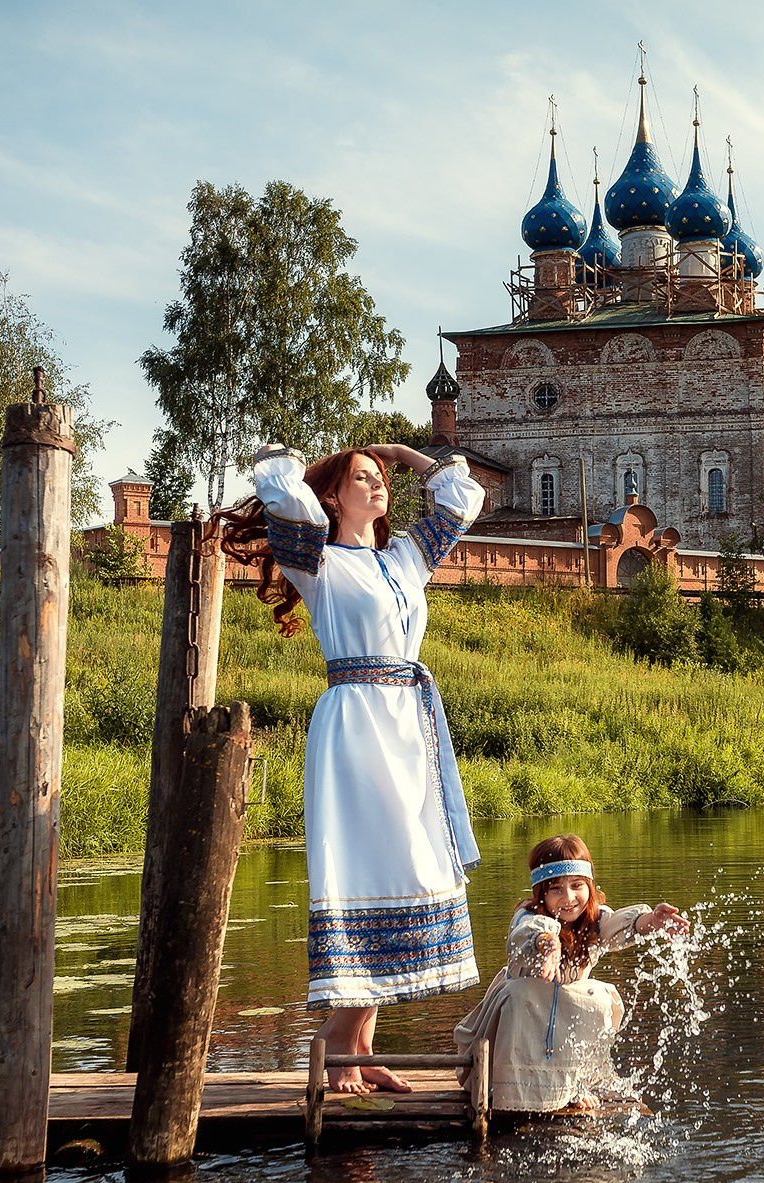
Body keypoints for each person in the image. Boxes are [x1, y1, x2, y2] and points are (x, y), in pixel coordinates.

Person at [221, 441, 484, 1096]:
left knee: (411, 871)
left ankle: (359, 1046)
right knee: (368, 872)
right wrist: (324, 460)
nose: (378, 484)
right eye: (362, 478)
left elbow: (463, 497)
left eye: (380, 478)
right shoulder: (318, 560)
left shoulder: (405, 558)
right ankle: (338, 1044)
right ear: (334, 497)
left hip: (408, 727)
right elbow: (280, 483)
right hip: (356, 727)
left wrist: (403, 453)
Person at [454, 833, 688, 1113]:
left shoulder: (595, 919)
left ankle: (573, 1084)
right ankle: (509, 1088)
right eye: (556, 889)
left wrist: (652, 920)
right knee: (521, 995)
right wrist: (547, 944)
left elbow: (621, 926)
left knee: (596, 997)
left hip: (566, 1017)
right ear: (541, 893)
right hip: (522, 1018)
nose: (568, 898)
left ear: (588, 885)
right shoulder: (529, 917)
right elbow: (528, 934)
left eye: (577, 886)